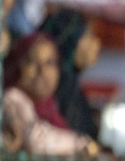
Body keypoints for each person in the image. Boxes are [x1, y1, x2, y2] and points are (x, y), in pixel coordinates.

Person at [0, 33, 98, 161]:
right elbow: (36, 140)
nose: (41, 71)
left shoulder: (56, 113)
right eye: (31, 62)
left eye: (49, 63)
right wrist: (80, 144)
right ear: (18, 66)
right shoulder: (12, 100)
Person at [40, 8, 102, 139]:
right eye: (88, 37)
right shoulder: (63, 85)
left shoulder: (68, 84)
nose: (96, 44)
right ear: (72, 40)